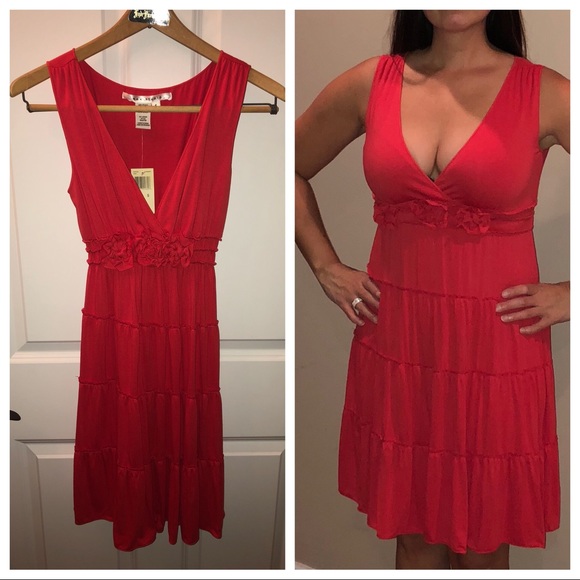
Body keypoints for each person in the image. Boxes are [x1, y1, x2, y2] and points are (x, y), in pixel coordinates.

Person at [295, 10, 569, 570]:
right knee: (414, 535)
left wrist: (573, 294)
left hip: (496, 351)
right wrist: (324, 265)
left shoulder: (548, 94)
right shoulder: (371, 83)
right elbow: (289, 166)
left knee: (484, 543)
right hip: (399, 344)